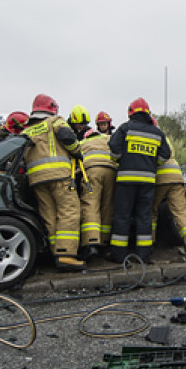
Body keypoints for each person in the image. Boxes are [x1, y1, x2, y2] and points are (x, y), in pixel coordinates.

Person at [22, 94, 84, 270]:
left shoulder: (26, 130)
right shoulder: (54, 121)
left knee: (49, 215)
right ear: (52, 109)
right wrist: (77, 152)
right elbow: (67, 137)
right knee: (69, 211)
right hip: (59, 175)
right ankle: (66, 254)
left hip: (36, 180)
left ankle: (55, 252)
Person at [107, 97, 171, 263]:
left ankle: (119, 255)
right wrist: (151, 163)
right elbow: (165, 155)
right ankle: (144, 254)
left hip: (126, 180)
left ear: (131, 112)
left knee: (123, 216)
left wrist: (122, 159)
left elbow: (113, 150)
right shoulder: (157, 133)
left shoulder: (125, 128)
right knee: (144, 217)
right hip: (148, 181)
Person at [68, 105, 117, 258]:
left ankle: (91, 242)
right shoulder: (108, 139)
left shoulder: (83, 143)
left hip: (92, 172)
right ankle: (104, 241)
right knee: (107, 206)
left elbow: (75, 162)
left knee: (91, 205)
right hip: (111, 172)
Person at [151, 121, 186, 257]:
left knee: (151, 211)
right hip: (176, 176)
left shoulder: (149, 136)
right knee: (181, 213)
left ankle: (150, 244)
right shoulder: (164, 137)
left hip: (160, 178)